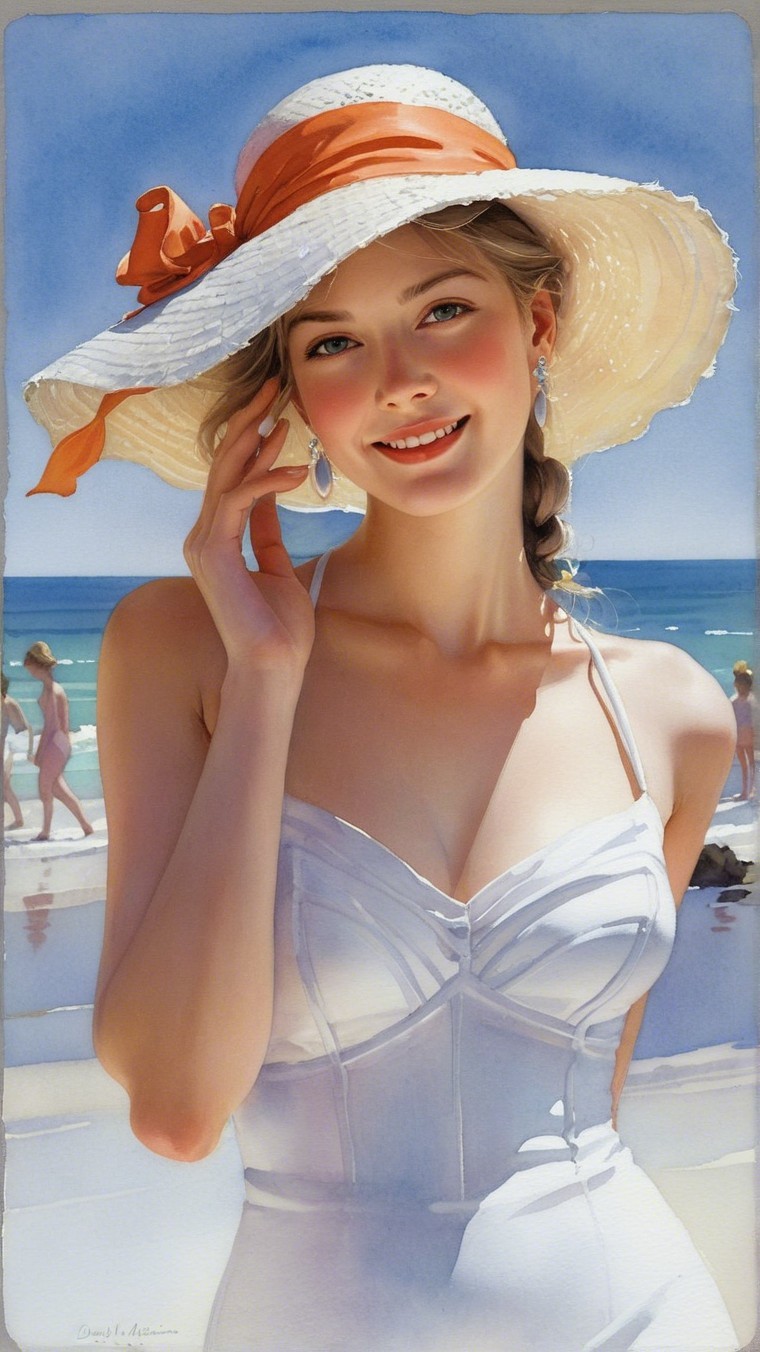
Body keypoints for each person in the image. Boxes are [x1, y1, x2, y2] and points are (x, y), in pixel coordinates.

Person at [24, 65, 740, 1351]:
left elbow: (598, 1109)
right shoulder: (178, 646)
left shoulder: (673, 712)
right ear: (290, 399)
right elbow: (180, 1107)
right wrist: (264, 680)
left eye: (441, 309)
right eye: (334, 340)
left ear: (540, 320)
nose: (398, 379)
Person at [23, 641, 94, 841]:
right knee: (58, 790)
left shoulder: (52, 691)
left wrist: (39, 754)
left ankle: (46, 831)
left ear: (39, 666)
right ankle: (86, 826)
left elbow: (52, 727)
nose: (30, 674)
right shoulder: (52, 688)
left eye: (31, 670)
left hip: (56, 743)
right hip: (60, 743)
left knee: (45, 787)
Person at [2, 671, 34, 829]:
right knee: (5, 786)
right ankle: (18, 819)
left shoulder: (8, 703)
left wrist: (29, 752)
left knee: (5, 785)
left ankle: (18, 820)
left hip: (11, 746)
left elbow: (26, 728)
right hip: (8, 745)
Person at [731, 660, 756, 800]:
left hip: (744, 734)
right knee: (747, 764)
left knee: (748, 764)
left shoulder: (738, 701)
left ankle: (748, 791)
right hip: (743, 734)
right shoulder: (740, 701)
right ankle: (747, 791)